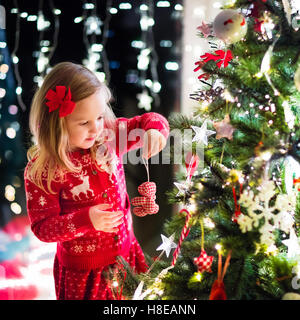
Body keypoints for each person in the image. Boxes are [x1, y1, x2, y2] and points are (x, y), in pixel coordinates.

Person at [24, 62, 170, 300]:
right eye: (84, 123)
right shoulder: (44, 170)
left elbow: (149, 120)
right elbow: (43, 228)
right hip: (84, 274)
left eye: (100, 117)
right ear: (57, 124)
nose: (96, 129)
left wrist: (154, 131)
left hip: (126, 256)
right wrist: (86, 219)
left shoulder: (108, 137)